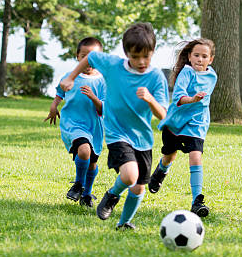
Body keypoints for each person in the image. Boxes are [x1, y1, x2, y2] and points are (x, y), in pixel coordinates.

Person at [60, 23, 169, 230]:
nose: (141, 62)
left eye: (146, 56)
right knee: (129, 176)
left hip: (142, 138)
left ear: (153, 52)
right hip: (117, 132)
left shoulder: (155, 78)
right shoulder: (113, 65)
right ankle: (112, 195)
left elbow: (162, 113)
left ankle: (124, 223)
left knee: (138, 188)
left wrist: (150, 100)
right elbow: (89, 58)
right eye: (135, 57)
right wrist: (70, 77)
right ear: (126, 53)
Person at [148, 39, 217, 218]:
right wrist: (193, 99)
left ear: (211, 59)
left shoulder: (213, 76)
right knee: (169, 155)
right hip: (177, 121)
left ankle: (197, 201)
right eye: (196, 55)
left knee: (195, 157)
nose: (200, 59)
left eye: (204, 56)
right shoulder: (186, 73)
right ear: (189, 57)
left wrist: (198, 103)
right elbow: (179, 97)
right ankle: (160, 171)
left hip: (197, 123)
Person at [45, 37, 106, 207]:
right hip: (73, 124)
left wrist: (94, 98)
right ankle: (79, 184)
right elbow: (60, 92)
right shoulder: (70, 77)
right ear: (78, 57)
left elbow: (103, 109)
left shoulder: (103, 81)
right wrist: (53, 106)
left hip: (94, 127)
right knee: (84, 150)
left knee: (93, 163)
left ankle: (86, 194)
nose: (89, 61)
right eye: (84, 56)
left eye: (93, 57)